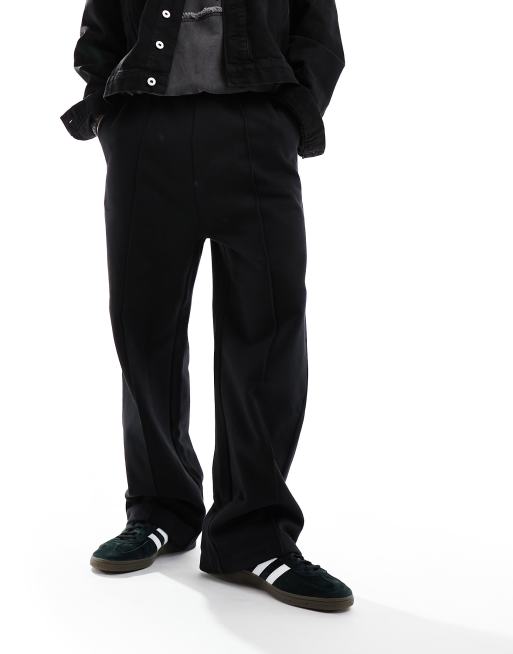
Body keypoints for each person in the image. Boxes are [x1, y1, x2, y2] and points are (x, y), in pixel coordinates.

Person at [61, 0, 353, 612]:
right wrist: (112, 115)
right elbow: (101, 26)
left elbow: (318, 31)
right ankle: (159, 510)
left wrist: (289, 114)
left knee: (268, 332)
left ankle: (254, 535)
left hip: (256, 126)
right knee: (145, 330)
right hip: (146, 131)